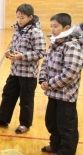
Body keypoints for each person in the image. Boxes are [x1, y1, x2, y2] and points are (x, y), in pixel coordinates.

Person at [0, 3, 46, 134]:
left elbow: (41, 53)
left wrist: (22, 56)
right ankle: (2, 119)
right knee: (8, 95)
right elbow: (14, 47)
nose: (19, 20)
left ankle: (25, 124)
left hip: (28, 74)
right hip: (14, 72)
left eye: (22, 17)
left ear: (30, 17)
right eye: (18, 17)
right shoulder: (17, 30)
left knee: (26, 101)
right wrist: (9, 52)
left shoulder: (36, 32)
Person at [39, 13, 83, 155]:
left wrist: (50, 83)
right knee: (52, 122)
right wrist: (42, 79)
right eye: (51, 26)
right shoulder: (55, 42)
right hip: (53, 93)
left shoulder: (72, 46)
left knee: (66, 127)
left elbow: (70, 73)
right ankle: (56, 145)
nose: (52, 29)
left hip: (65, 96)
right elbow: (45, 62)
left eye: (56, 26)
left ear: (66, 27)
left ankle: (66, 151)